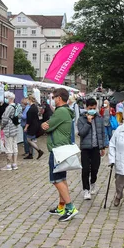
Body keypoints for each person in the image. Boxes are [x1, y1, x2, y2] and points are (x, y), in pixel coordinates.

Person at [41, 88, 78, 222]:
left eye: (54, 97)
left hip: (57, 149)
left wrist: (45, 125)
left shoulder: (61, 111)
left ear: (59, 98)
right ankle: (61, 206)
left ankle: (70, 207)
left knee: (56, 180)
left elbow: (47, 126)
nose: (53, 99)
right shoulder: (66, 111)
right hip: (61, 148)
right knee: (61, 179)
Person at [77, 98, 106, 200]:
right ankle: (86, 189)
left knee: (95, 168)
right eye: (90, 108)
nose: (92, 110)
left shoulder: (99, 118)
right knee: (85, 169)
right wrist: (88, 123)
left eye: (94, 108)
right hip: (85, 147)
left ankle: (93, 182)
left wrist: (103, 147)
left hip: (96, 147)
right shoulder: (81, 119)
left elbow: (102, 133)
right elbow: (81, 133)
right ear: (86, 108)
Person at [1, 92, 19, 171]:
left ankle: (8, 165)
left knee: (8, 147)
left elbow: (5, 118)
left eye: (6, 98)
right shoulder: (17, 106)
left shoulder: (9, 107)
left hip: (9, 129)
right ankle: (14, 164)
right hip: (15, 128)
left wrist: (2, 126)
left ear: (9, 98)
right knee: (14, 145)